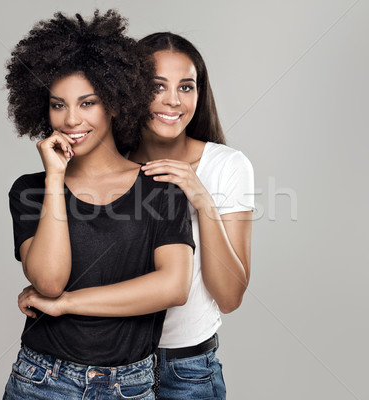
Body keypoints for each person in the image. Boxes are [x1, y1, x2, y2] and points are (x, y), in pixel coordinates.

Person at [3, 11, 195, 400]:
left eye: (87, 102)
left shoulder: (160, 189)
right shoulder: (30, 191)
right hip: (42, 380)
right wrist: (55, 178)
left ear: (114, 103)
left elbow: (173, 286)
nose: (71, 119)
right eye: (58, 105)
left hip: (131, 384)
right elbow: (49, 282)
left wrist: (67, 305)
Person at [127, 32, 256, 399]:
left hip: (187, 372)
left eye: (186, 87)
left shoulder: (228, 166)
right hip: (112, 369)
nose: (172, 100)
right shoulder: (109, 165)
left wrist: (202, 199)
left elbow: (229, 298)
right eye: (157, 85)